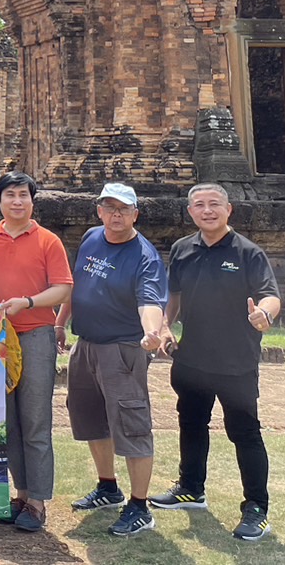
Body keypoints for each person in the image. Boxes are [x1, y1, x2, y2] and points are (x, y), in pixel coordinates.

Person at [150, 182, 281, 542]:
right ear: (190, 212)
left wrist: (264, 315)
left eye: (214, 204)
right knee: (192, 423)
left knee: (244, 433)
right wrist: (166, 325)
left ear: (228, 210)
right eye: (199, 205)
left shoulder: (248, 252)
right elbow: (173, 295)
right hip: (192, 357)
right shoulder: (182, 249)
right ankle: (191, 488)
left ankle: (256, 509)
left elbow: (270, 295)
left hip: (236, 361)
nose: (207, 211)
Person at [0, 171, 74, 534]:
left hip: (35, 333)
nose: (17, 201)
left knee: (35, 420)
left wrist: (27, 302)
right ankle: (20, 494)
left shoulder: (47, 240)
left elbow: (62, 289)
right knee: (7, 421)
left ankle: (38, 502)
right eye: (10, 195)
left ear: (32, 200)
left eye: (23, 195)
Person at [57, 182, 167, 537]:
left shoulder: (144, 256)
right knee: (90, 418)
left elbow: (150, 300)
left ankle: (139, 506)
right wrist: (60, 322)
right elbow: (75, 285)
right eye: (109, 208)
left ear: (135, 214)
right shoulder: (92, 237)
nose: (116, 215)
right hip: (86, 343)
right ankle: (108, 487)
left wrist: (151, 332)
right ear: (99, 211)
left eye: (123, 209)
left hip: (122, 349)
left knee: (132, 425)